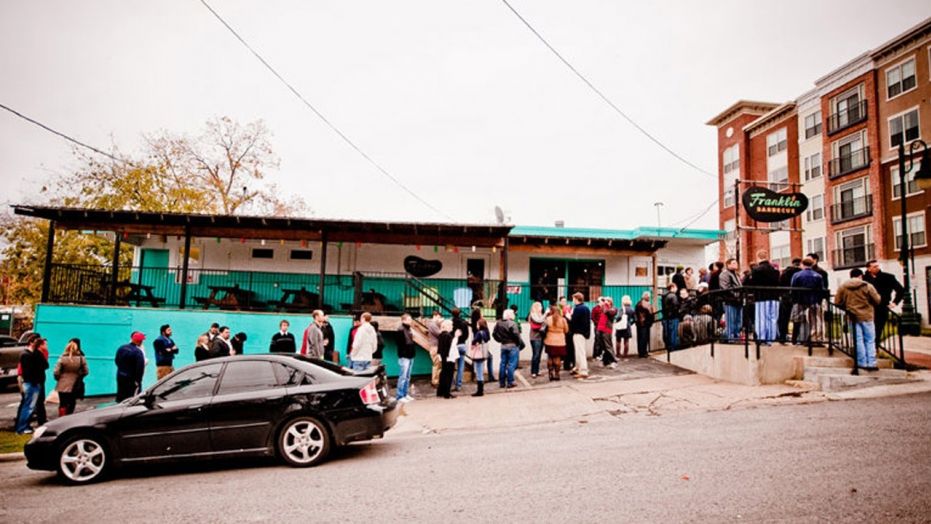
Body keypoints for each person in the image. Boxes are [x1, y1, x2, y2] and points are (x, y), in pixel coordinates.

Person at [835, 268, 882, 371]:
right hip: (867, 316)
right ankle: (872, 363)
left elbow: (837, 302)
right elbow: (877, 300)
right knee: (870, 340)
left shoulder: (843, 287)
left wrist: (846, 306)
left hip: (852, 316)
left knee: (858, 340)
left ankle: (861, 362)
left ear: (851, 276)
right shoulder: (868, 286)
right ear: (861, 276)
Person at [863, 260, 905, 340]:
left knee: (878, 329)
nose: (877, 268)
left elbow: (900, 290)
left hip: (882, 307)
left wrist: (894, 303)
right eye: (874, 267)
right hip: (867, 307)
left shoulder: (888, 277)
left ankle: (875, 347)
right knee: (867, 330)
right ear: (869, 268)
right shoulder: (864, 279)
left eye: (878, 266)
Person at [16, 337, 49, 434]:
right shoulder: (27, 355)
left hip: (33, 382)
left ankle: (23, 426)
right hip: (32, 383)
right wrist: (34, 381)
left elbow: (44, 365)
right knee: (28, 406)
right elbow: (30, 371)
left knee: (29, 405)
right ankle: (22, 428)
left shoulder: (32, 354)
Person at [790, 257, 825, 344]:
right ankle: (815, 339)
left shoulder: (797, 275)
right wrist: (819, 300)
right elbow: (821, 289)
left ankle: (795, 339)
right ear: (812, 264)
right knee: (815, 321)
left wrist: (794, 300)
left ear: (802, 264)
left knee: (797, 320)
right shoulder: (818, 276)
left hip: (800, 300)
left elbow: (793, 288)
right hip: (814, 300)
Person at [748, 251, 780, 343]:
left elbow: (753, 283)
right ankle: (771, 338)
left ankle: (762, 337)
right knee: (773, 318)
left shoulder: (757, 270)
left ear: (758, 257)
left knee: (761, 318)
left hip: (761, 297)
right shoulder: (775, 270)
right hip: (774, 297)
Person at [54, 339, 88, 416]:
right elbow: (86, 371)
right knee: (72, 402)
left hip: (62, 384)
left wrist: (59, 378)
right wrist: (79, 376)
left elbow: (56, 372)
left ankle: (61, 418)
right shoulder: (81, 358)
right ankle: (69, 417)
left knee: (62, 403)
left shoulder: (62, 358)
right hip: (75, 384)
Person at [492, 309, 522, 389]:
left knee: (503, 364)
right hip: (512, 345)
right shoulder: (512, 323)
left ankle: (501, 383)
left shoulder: (498, 323)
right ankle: (510, 382)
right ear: (510, 315)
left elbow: (494, 334)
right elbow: (516, 335)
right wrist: (518, 343)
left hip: (503, 345)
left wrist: (500, 340)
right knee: (511, 364)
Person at [115, 332, 146, 402]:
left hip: (120, 375)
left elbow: (116, 361)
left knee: (121, 395)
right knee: (132, 399)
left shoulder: (121, 348)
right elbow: (140, 368)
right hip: (132, 379)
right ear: (139, 341)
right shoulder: (138, 352)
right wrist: (138, 380)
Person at [777, 258, 802, 344]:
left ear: (792, 263)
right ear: (800, 263)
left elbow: (779, 284)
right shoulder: (800, 273)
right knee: (797, 319)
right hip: (797, 298)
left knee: (784, 318)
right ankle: (795, 339)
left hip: (785, 297)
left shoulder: (785, 272)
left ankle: (782, 337)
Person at [543, 303, 569, 381]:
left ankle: (550, 373)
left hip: (549, 340)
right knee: (557, 358)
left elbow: (544, 329)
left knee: (550, 357)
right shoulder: (563, 319)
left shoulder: (548, 319)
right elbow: (566, 330)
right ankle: (557, 374)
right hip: (560, 341)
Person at [569, 292, 591, 377]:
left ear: (577, 299)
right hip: (584, 333)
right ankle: (578, 368)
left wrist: (569, 316)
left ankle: (583, 371)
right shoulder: (586, 308)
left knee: (580, 352)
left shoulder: (577, 309)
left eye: (573, 299)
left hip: (578, 332)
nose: (573, 300)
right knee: (580, 351)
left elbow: (573, 321)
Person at [720, 258, 743, 340]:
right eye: (733, 263)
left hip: (738, 300)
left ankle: (736, 335)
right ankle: (730, 337)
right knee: (731, 320)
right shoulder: (725, 274)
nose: (735, 264)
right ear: (728, 264)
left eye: (736, 263)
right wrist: (735, 295)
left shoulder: (735, 274)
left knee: (738, 320)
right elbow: (725, 287)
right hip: (730, 301)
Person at [396, 314, 417, 402]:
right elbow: (399, 344)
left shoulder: (409, 329)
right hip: (405, 356)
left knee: (407, 377)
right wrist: (403, 354)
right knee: (403, 377)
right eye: (409, 319)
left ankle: (405, 394)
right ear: (403, 320)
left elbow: (411, 341)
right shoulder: (400, 330)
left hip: (410, 355)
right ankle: (400, 396)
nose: (411, 321)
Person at [472, 308, 495, 382]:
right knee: (486, 359)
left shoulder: (474, 324)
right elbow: (487, 337)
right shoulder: (482, 324)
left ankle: (478, 377)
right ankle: (484, 377)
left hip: (478, 345)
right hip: (482, 346)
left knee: (479, 361)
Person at [469, 317, 491, 397]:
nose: (477, 325)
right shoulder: (486, 332)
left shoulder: (479, 333)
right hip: (483, 353)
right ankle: (481, 390)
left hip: (478, 354)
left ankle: (479, 391)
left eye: (478, 324)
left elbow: (474, 341)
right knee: (480, 370)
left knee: (478, 371)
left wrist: (474, 343)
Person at [436, 320, 457, 398]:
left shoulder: (441, 335)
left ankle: (440, 391)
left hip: (443, 357)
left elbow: (440, 347)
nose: (452, 326)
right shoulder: (448, 336)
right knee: (449, 375)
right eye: (451, 325)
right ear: (447, 326)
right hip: (449, 357)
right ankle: (447, 393)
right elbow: (451, 348)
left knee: (443, 373)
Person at [451, 308, 470, 391]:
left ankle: (451, 383)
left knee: (451, 365)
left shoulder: (451, 322)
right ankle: (458, 385)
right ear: (459, 313)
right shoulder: (463, 322)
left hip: (453, 345)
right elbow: (466, 334)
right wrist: (462, 339)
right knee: (461, 366)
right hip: (462, 344)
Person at [527, 302, 546, 378]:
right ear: (536, 307)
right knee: (536, 354)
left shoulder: (540, 315)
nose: (541, 307)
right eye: (540, 306)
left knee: (539, 355)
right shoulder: (532, 314)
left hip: (541, 336)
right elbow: (539, 321)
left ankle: (537, 370)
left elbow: (544, 323)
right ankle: (533, 372)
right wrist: (546, 314)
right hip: (535, 337)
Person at [597, 297, 618, 368]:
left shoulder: (613, 309)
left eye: (607, 301)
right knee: (603, 346)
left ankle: (614, 361)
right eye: (605, 301)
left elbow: (608, 312)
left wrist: (605, 305)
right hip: (601, 329)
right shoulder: (603, 308)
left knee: (608, 346)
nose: (605, 302)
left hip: (607, 329)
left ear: (610, 302)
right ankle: (605, 361)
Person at [634, 292, 654, 358]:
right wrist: (651, 322)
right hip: (645, 323)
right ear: (645, 296)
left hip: (639, 324)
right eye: (648, 296)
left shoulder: (638, 303)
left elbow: (635, 314)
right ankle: (644, 353)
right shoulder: (646, 304)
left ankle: (641, 353)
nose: (649, 297)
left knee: (640, 338)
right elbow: (651, 313)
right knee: (644, 338)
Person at [426, 311, 443, 387]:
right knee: (437, 364)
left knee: (437, 364)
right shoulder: (432, 324)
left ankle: (436, 381)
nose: (439, 319)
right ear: (435, 316)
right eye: (439, 317)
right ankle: (435, 381)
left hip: (435, 346)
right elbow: (440, 334)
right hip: (435, 347)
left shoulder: (432, 324)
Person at [662, 283, 680, 350]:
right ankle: (673, 347)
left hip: (666, 317)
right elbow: (676, 306)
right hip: (673, 316)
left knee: (667, 333)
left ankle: (668, 347)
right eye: (676, 287)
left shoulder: (664, 295)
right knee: (673, 333)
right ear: (672, 287)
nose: (677, 289)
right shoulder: (673, 296)